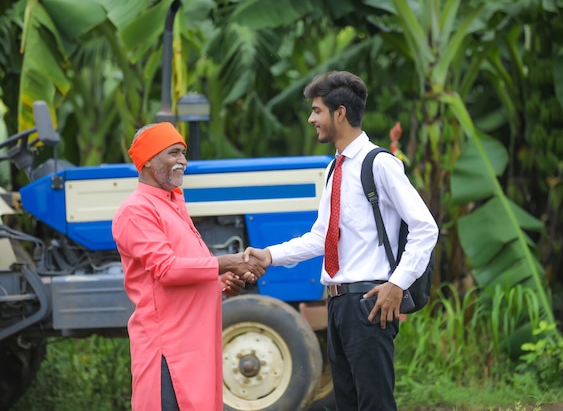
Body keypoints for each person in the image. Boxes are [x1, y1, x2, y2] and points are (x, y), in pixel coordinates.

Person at [244, 71, 439, 411]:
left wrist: (396, 284)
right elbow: (321, 238)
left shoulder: (380, 164)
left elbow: (426, 228)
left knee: (375, 404)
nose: (311, 119)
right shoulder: (335, 169)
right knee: (346, 404)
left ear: (340, 113)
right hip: (336, 304)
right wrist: (268, 255)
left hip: (369, 302)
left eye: (317, 110)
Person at [112, 122, 265, 411]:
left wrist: (221, 282)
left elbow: (188, 269)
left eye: (183, 153)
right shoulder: (137, 210)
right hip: (168, 351)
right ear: (147, 160)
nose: (183, 161)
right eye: (173, 153)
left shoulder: (174, 204)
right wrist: (227, 262)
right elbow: (167, 270)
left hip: (194, 349)